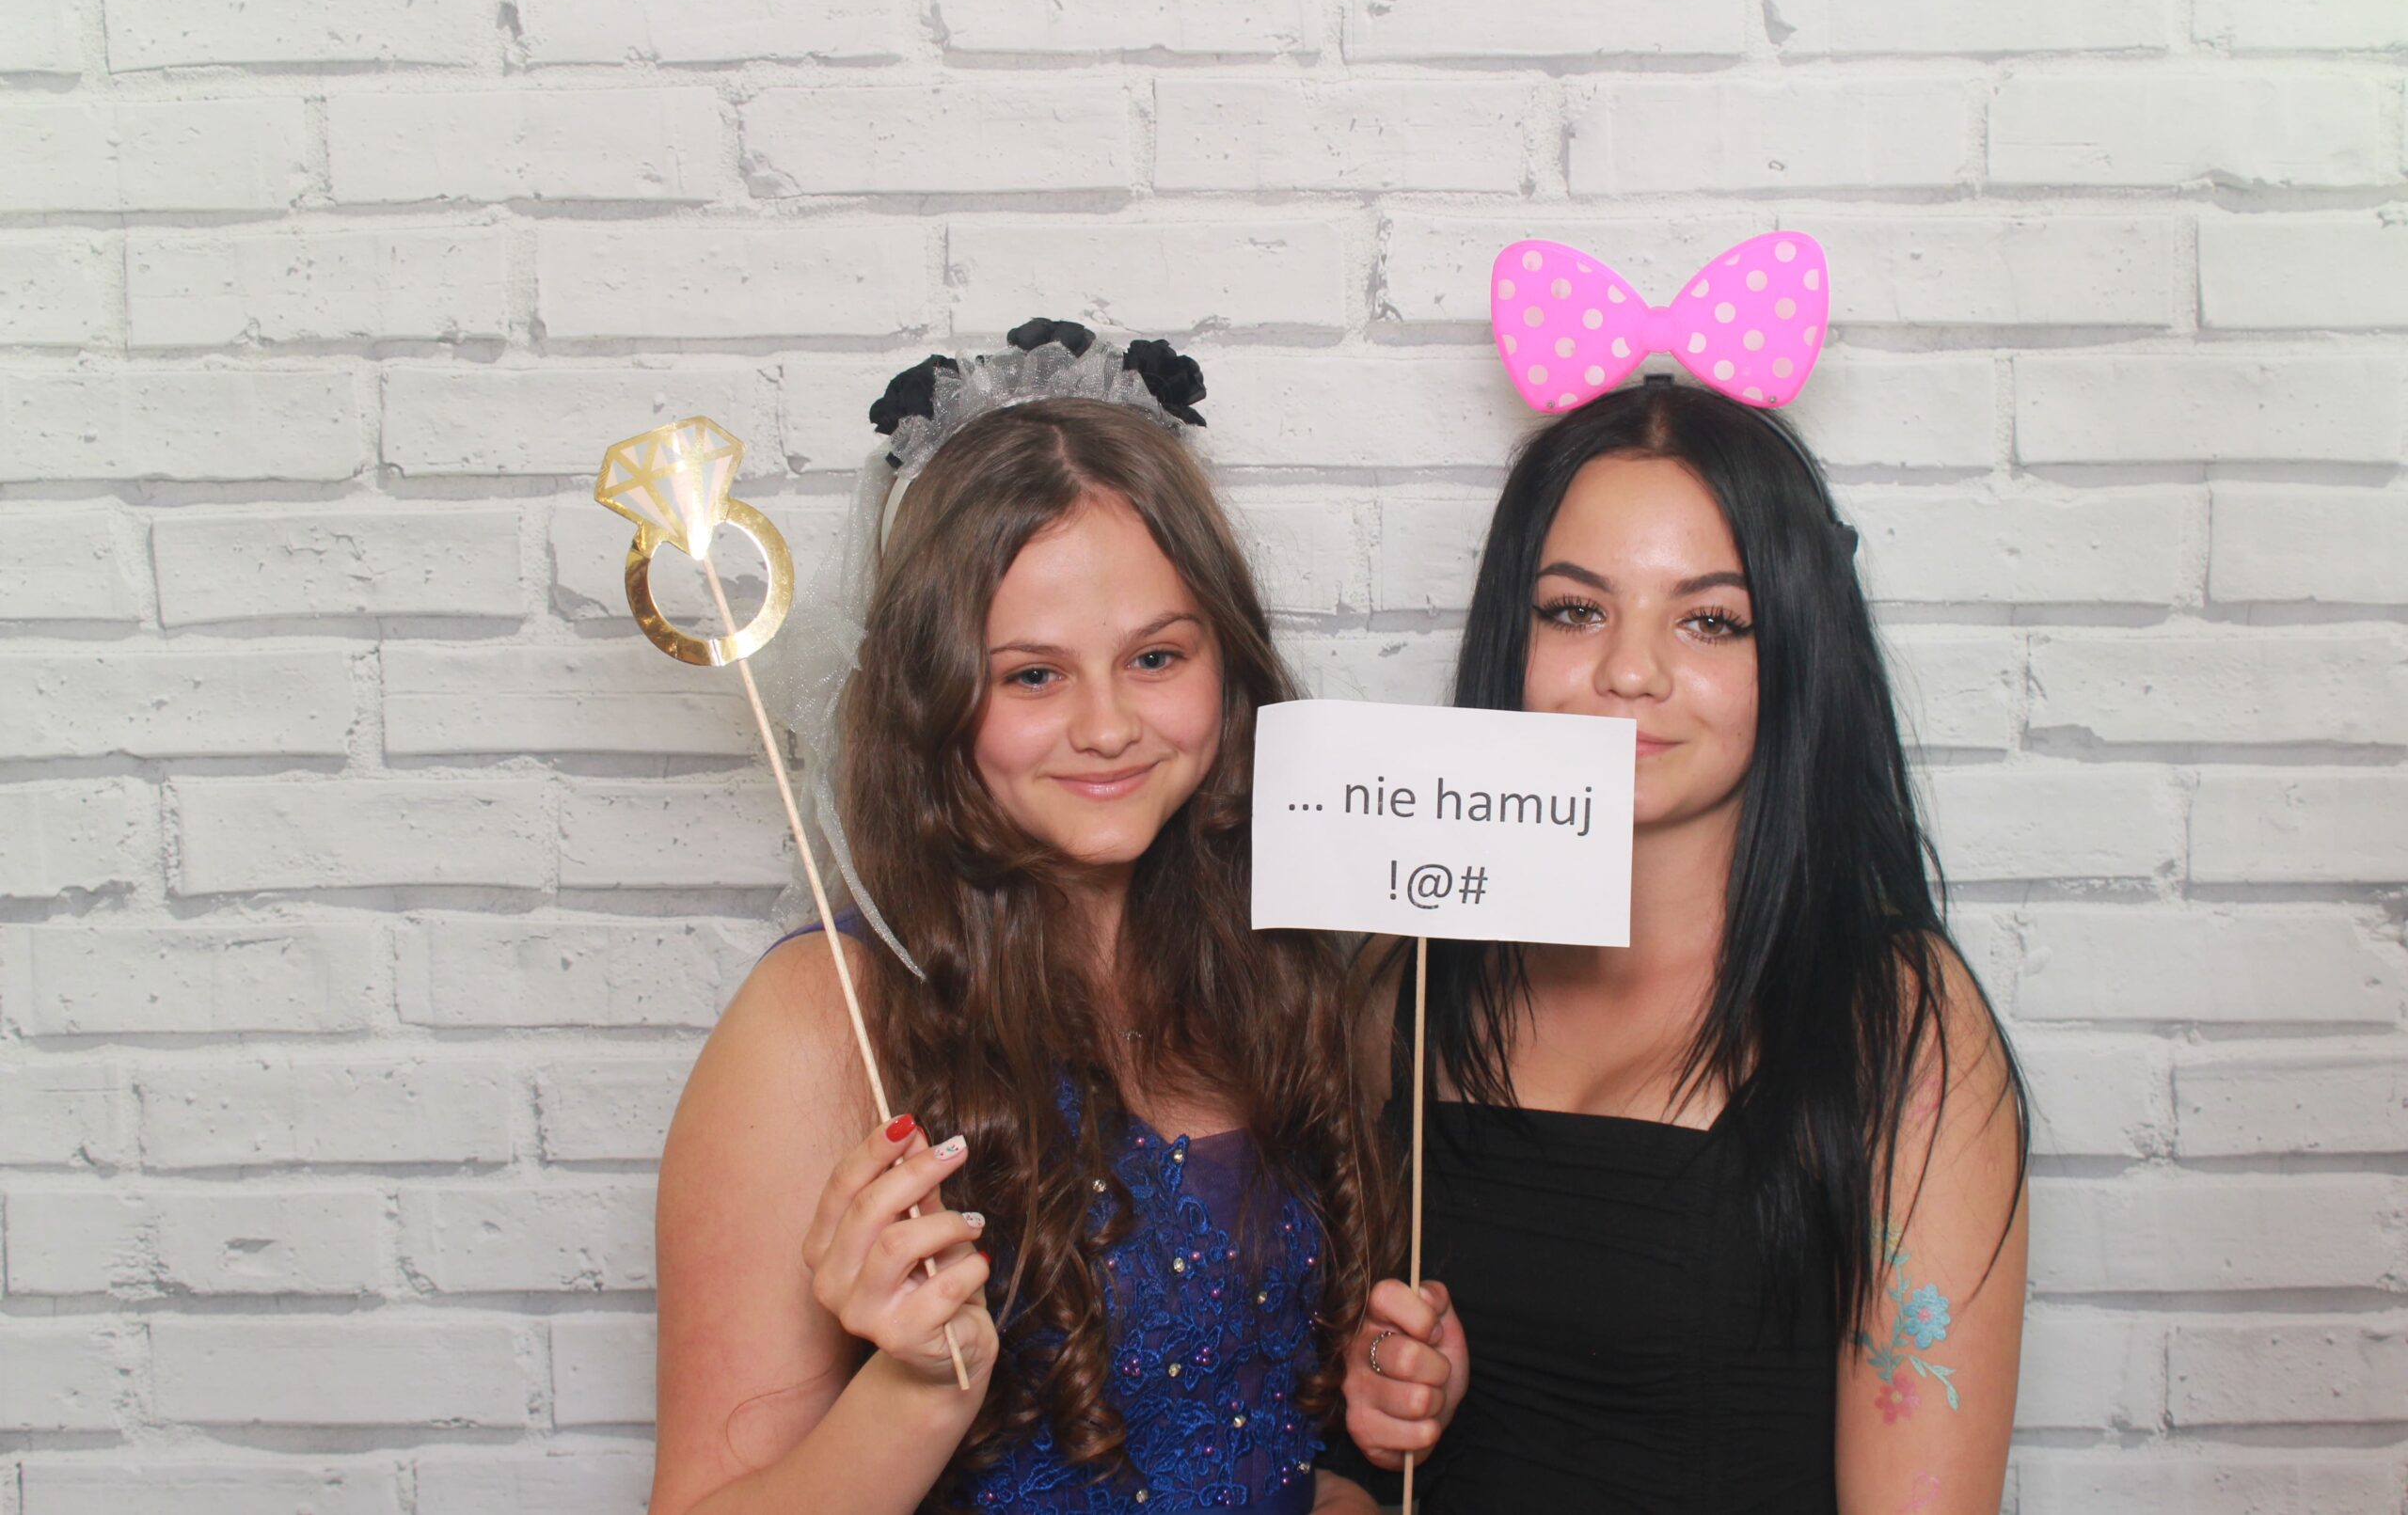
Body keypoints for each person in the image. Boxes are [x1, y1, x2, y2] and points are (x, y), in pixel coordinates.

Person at [647, 325, 1391, 1515]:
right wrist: (913, 1391)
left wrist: (1380, 1424)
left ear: (1227, 661)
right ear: (933, 695)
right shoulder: (821, 1020)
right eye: (1032, 675)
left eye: (1156, 657)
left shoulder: (1276, 965)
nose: (1107, 727)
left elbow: (1270, 1434)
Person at [1335, 376, 2030, 1513]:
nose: (1631, 671)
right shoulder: (1402, 972)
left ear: (1793, 648)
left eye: (1710, 620)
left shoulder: (1894, 1023)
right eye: (1574, 611)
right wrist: (1376, 1408)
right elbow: (1330, 1445)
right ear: (1512, 632)